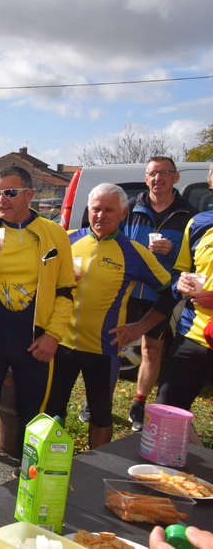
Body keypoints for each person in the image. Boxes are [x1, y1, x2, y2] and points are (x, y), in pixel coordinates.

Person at [0, 165, 76, 500]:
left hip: (33, 342)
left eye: (10, 192)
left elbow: (66, 290)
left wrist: (54, 335)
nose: (1, 200)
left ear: (30, 194)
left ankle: (28, 482)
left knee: (31, 415)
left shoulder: (54, 234)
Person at [45, 184, 174, 449]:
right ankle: (48, 463)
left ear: (123, 213)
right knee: (52, 409)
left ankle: (96, 466)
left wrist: (139, 328)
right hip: (60, 342)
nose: (101, 215)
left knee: (100, 413)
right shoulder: (67, 240)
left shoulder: (133, 252)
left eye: (109, 210)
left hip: (103, 348)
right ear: (88, 210)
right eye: (96, 209)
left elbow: (169, 293)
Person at [121, 156, 195, 431]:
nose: (158, 178)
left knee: (151, 349)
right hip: (126, 290)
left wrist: (172, 251)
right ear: (146, 178)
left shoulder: (188, 214)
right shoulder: (131, 208)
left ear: (175, 178)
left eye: (164, 173)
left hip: (161, 294)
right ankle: (95, 400)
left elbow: (193, 257)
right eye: (153, 173)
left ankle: (138, 404)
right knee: (110, 343)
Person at [157, 163, 213, 412]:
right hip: (192, 334)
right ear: (210, 184)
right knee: (166, 410)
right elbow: (180, 271)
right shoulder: (199, 223)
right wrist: (179, 283)